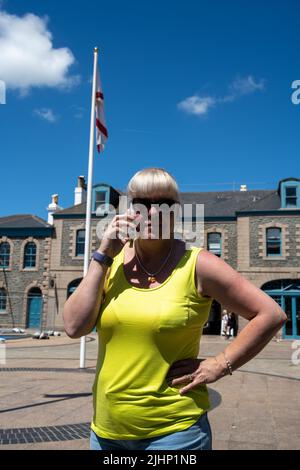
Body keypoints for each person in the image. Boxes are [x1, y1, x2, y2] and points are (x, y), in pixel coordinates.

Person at [63, 167, 287, 451]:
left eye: (164, 205)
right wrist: (103, 254)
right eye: (141, 204)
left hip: (175, 433)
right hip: (106, 432)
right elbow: (73, 326)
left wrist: (220, 364)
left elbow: (271, 314)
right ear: (128, 210)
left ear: (176, 212)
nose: (153, 213)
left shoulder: (198, 264)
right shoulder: (111, 263)